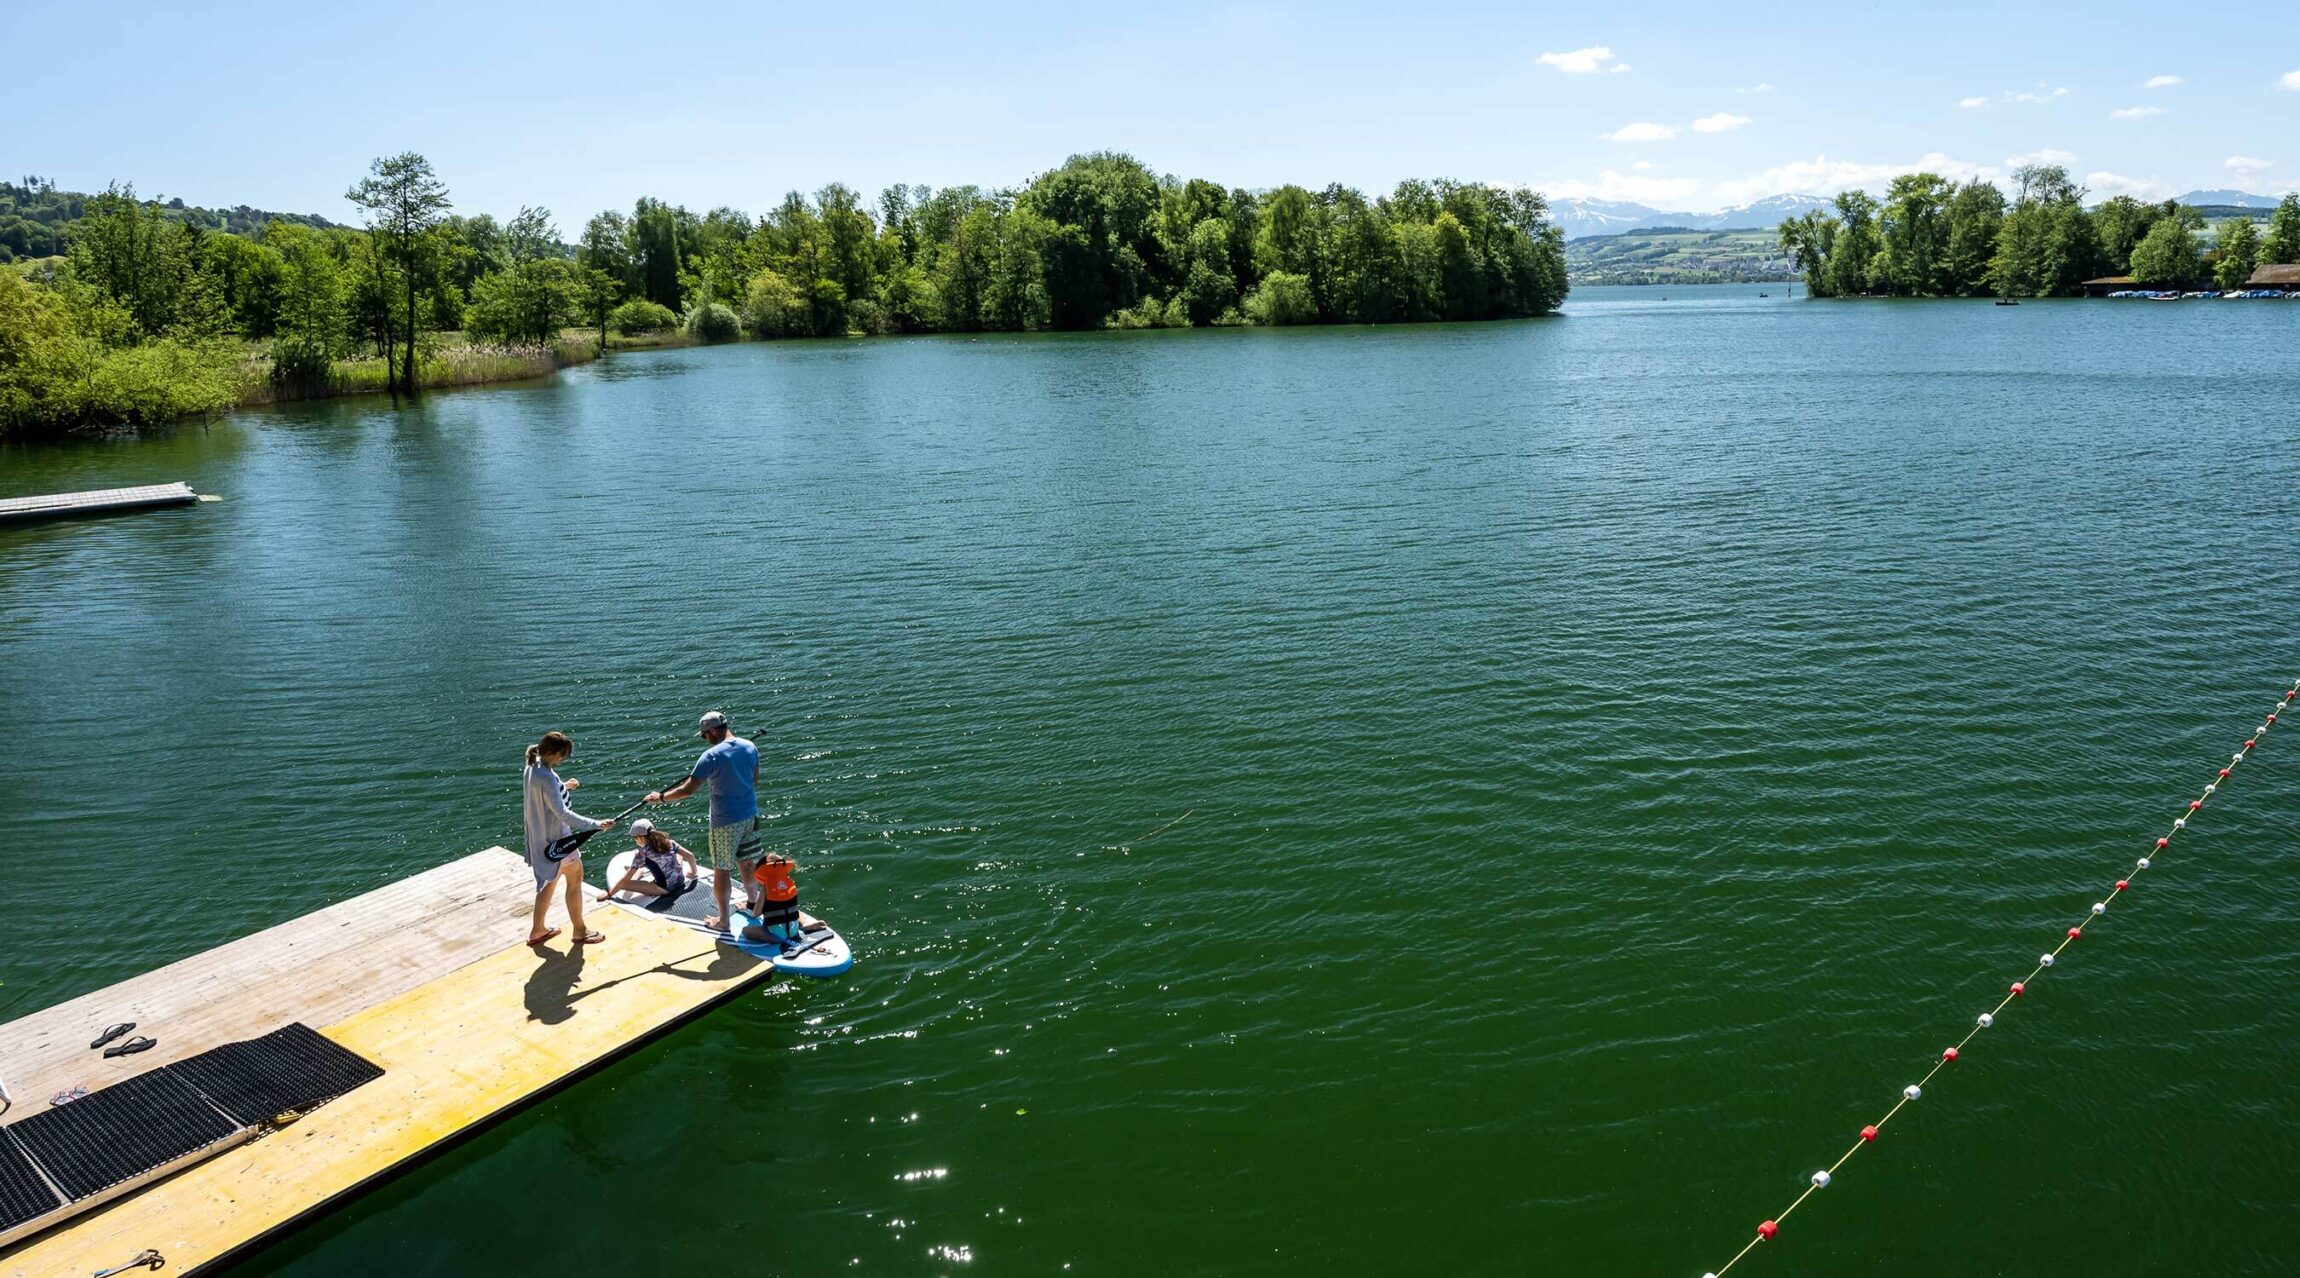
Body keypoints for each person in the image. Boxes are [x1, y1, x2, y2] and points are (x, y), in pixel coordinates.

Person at [647, 710, 760, 931]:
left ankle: (724, 921)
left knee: (722, 869)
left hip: (725, 822)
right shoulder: (749, 746)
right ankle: (753, 904)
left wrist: (660, 798)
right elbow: (754, 780)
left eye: (704, 735)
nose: (705, 739)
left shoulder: (710, 756)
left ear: (713, 731)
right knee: (747, 862)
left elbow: (687, 790)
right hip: (751, 815)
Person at [523, 730, 611, 947]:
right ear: (551, 753)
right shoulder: (546, 776)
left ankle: (537, 930)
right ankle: (580, 930)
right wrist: (596, 824)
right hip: (559, 842)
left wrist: (563, 786)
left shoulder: (531, 766)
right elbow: (563, 814)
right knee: (575, 880)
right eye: (561, 755)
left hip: (541, 842)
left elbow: (545, 795)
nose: (562, 760)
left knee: (548, 884)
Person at [608, 818, 698, 899]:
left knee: (624, 884)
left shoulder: (642, 853)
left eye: (634, 838)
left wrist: (609, 894)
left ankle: (638, 872)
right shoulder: (670, 842)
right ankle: (641, 869)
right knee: (678, 854)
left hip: (664, 889)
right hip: (680, 881)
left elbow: (625, 881)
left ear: (640, 837)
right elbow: (690, 856)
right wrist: (693, 872)